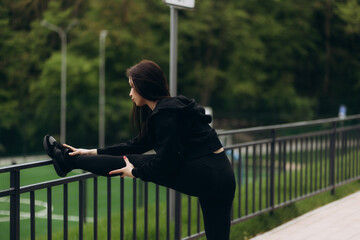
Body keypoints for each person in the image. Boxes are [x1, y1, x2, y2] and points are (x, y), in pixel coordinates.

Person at [43, 60, 236, 240]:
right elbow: (136, 144)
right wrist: (93, 151)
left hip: (205, 174)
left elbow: (166, 164)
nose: (130, 93)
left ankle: (65, 160)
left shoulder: (165, 115)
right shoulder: (175, 107)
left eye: (132, 87)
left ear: (144, 87)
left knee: (131, 160)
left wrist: (134, 172)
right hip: (224, 175)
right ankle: (70, 159)